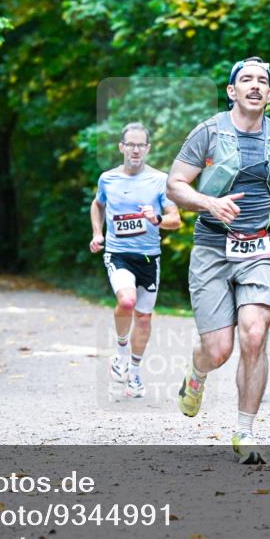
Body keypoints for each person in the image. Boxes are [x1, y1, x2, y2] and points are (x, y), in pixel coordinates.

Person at [166, 57, 270, 464]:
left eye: (263, 81)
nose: (256, 86)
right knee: (219, 349)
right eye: (247, 80)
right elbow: (175, 185)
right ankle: (197, 372)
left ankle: (244, 432)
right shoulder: (208, 133)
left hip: (262, 246)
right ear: (232, 91)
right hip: (212, 247)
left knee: (255, 334)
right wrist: (209, 202)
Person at [90, 122, 181, 398]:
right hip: (118, 254)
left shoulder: (160, 180)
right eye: (130, 144)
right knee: (126, 301)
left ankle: (135, 374)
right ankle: (119, 353)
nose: (135, 150)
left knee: (143, 318)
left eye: (141, 145)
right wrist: (97, 233)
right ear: (121, 147)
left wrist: (156, 219)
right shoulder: (108, 179)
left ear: (148, 149)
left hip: (149, 258)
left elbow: (176, 220)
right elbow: (98, 204)